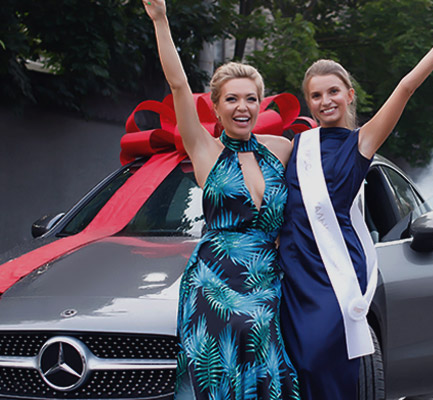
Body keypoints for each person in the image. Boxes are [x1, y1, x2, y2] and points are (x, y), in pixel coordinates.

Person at [278, 3, 433, 399]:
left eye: (333, 92)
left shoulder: (362, 142)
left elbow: (405, 87)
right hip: (293, 273)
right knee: (297, 370)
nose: (325, 101)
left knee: (325, 362)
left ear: (349, 95)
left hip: (335, 273)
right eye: (316, 95)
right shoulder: (296, 147)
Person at [143, 0, 300, 398]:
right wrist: (161, 19)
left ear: (260, 104)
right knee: (219, 373)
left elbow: (326, 177)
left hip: (266, 279)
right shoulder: (204, 150)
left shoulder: (282, 149)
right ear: (215, 107)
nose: (242, 107)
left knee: (266, 370)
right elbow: (179, 85)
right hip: (214, 280)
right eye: (231, 99)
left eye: (251, 99)